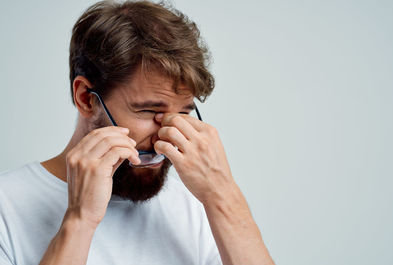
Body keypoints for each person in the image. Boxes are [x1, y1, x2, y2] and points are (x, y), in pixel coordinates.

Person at [0, 1, 275, 264]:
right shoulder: (7, 206)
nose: (166, 137)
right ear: (86, 98)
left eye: (183, 113)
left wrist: (222, 195)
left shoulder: (197, 206)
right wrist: (79, 220)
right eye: (147, 111)